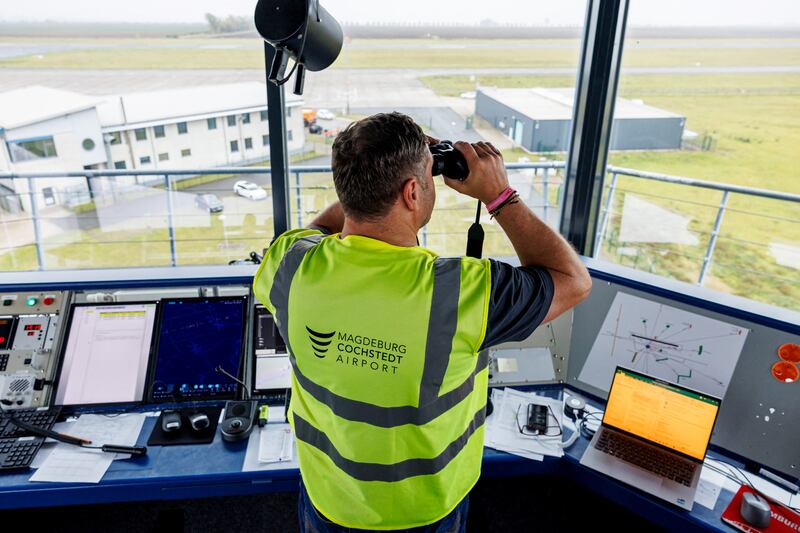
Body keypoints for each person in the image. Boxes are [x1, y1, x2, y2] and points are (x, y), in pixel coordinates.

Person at [252, 112, 591, 532]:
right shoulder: (462, 291)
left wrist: (370, 178)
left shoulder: (291, 264)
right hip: (425, 512)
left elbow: (319, 230)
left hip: (329, 500)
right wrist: (499, 195)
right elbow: (572, 281)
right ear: (413, 191)